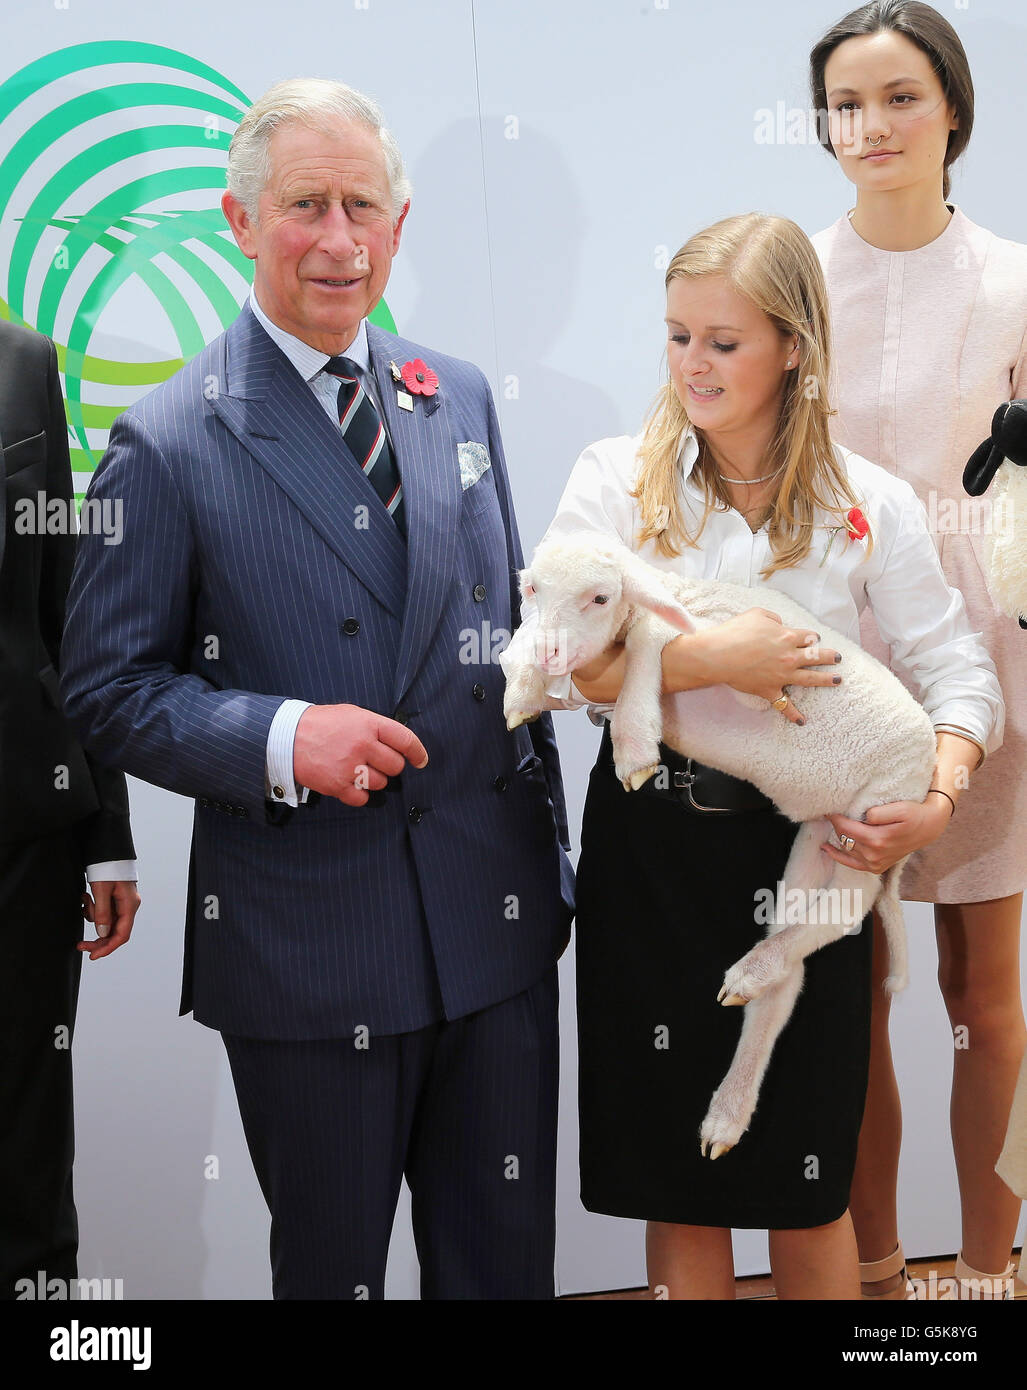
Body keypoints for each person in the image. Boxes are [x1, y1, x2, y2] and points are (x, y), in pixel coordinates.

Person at [58, 78, 573, 1301]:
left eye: (362, 205)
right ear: (238, 220)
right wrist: (287, 735)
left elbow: (502, 617)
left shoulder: (460, 394)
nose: (337, 240)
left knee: (505, 1276)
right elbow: (107, 685)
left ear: (401, 223)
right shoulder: (168, 438)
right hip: (312, 947)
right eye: (304, 206)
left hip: (493, 934)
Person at [517, 212, 1002, 1299]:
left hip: (813, 856)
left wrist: (937, 793)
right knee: (675, 1175)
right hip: (650, 858)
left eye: (722, 341)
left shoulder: (867, 502)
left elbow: (961, 676)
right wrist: (706, 659)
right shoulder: (613, 479)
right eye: (676, 335)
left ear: (793, 346)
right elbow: (549, 667)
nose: (692, 364)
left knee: (804, 1178)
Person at [809, 0, 1027, 1299]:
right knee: (849, 985)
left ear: (949, 105)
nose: (870, 124)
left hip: (986, 669)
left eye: (896, 96)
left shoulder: (1011, 275)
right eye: (844, 101)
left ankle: (989, 1270)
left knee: (982, 986)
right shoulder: (792, 275)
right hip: (829, 681)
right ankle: (877, 1268)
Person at [0, 319, 139, 1301]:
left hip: (23, 831)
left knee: (27, 1147)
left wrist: (108, 831)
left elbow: (65, 609)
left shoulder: (21, 361)